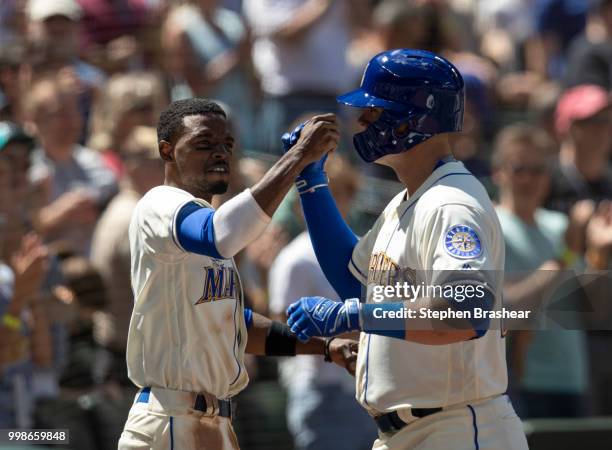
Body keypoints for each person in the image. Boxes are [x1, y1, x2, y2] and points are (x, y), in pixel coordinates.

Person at [285, 49, 528, 450]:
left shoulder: (451, 203)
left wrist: (354, 315)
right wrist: (312, 184)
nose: (359, 122)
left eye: (373, 113)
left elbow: (464, 313)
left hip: (456, 428)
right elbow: (354, 279)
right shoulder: (411, 199)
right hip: (415, 431)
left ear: (412, 120)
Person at [118, 98, 357, 450]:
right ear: (167, 152)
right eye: (204, 144)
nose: (219, 153)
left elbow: (234, 325)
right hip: (168, 419)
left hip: (213, 422)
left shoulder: (207, 225)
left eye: (226, 145)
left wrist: (326, 348)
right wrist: (297, 158)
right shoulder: (160, 204)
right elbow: (219, 235)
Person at [269, 154, 375, 450]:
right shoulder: (294, 258)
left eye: (340, 194)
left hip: (363, 388)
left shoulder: (361, 249)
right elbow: (281, 327)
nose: (332, 205)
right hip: (320, 390)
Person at [491, 123, 589, 418]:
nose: (529, 179)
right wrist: (564, 258)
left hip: (571, 379)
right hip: (520, 383)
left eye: (539, 170)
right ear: (499, 171)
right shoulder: (489, 228)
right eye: (520, 168)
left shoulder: (560, 226)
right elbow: (507, 307)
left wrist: (596, 250)